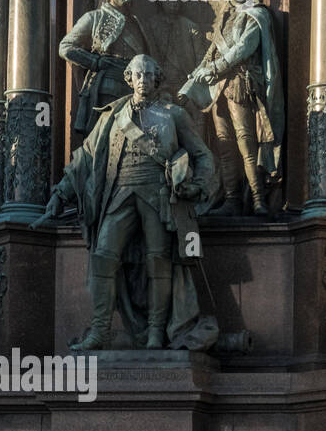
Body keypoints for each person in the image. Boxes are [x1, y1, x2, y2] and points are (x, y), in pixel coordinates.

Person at [40, 55, 214, 351]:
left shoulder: (173, 114)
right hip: (118, 193)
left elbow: (202, 155)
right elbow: (85, 157)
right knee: (103, 256)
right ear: (129, 79)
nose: (144, 80)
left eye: (149, 75)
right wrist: (60, 194)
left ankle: (157, 332)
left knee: (158, 261)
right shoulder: (111, 115)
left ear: (157, 79)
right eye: (138, 75)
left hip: (159, 196)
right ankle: (100, 331)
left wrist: (197, 186)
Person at [187, 0, 284, 216]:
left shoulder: (257, 15)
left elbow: (242, 49)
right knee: (225, 145)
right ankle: (231, 199)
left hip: (241, 85)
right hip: (218, 89)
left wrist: (214, 69)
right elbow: (214, 51)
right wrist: (197, 72)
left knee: (246, 144)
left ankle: (258, 199)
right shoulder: (226, 16)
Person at [59, 0, 152, 138]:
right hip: (106, 87)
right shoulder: (93, 18)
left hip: (136, 88)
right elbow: (65, 47)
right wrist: (95, 61)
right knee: (105, 136)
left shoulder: (136, 23)